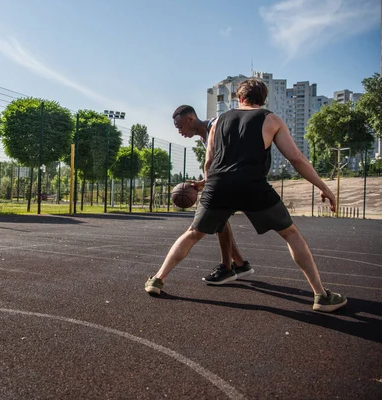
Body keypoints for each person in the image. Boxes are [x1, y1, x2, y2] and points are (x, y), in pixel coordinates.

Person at [145, 78, 347, 313]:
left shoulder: (219, 121)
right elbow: (296, 159)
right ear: (263, 99)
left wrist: (207, 185)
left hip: (219, 185)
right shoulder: (271, 119)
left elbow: (209, 162)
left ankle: (158, 279)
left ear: (239, 98)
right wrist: (324, 187)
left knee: (192, 233)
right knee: (291, 234)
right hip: (253, 185)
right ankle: (321, 296)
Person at [172, 105, 253, 285]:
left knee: (216, 221)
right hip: (229, 179)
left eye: (180, 126)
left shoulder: (216, 126)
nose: (179, 131)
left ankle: (228, 267)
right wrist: (205, 182)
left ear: (190, 119)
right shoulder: (204, 136)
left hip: (239, 179)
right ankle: (239, 264)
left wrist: (210, 181)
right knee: (220, 222)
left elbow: (224, 160)